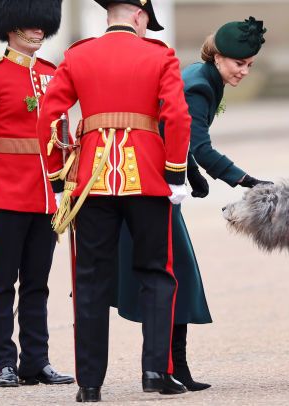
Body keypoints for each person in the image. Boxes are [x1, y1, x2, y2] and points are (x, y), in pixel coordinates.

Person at [36, 0, 191, 402]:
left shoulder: (78, 54)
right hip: (148, 178)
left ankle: (89, 385)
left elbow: (50, 116)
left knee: (90, 282)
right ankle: (155, 371)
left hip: (92, 181)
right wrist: (175, 174)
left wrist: (57, 177)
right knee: (156, 274)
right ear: (139, 15)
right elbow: (176, 115)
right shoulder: (160, 55)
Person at [115, 17, 270, 391]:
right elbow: (198, 144)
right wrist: (246, 181)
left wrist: (192, 174)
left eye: (249, 64)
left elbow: (178, 134)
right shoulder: (200, 86)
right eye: (238, 63)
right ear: (217, 56)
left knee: (174, 275)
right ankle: (167, 369)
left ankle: (173, 368)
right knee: (173, 273)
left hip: (161, 179)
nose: (244, 71)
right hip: (153, 187)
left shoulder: (201, 75)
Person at [0, 0, 74, 388]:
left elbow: (62, 139)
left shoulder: (52, 74)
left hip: (45, 198)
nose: (39, 30)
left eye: (43, 24)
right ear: (10, 27)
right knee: (3, 283)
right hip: (6, 194)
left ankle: (35, 362)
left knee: (38, 284)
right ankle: (4, 362)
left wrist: (64, 188)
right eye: (31, 24)